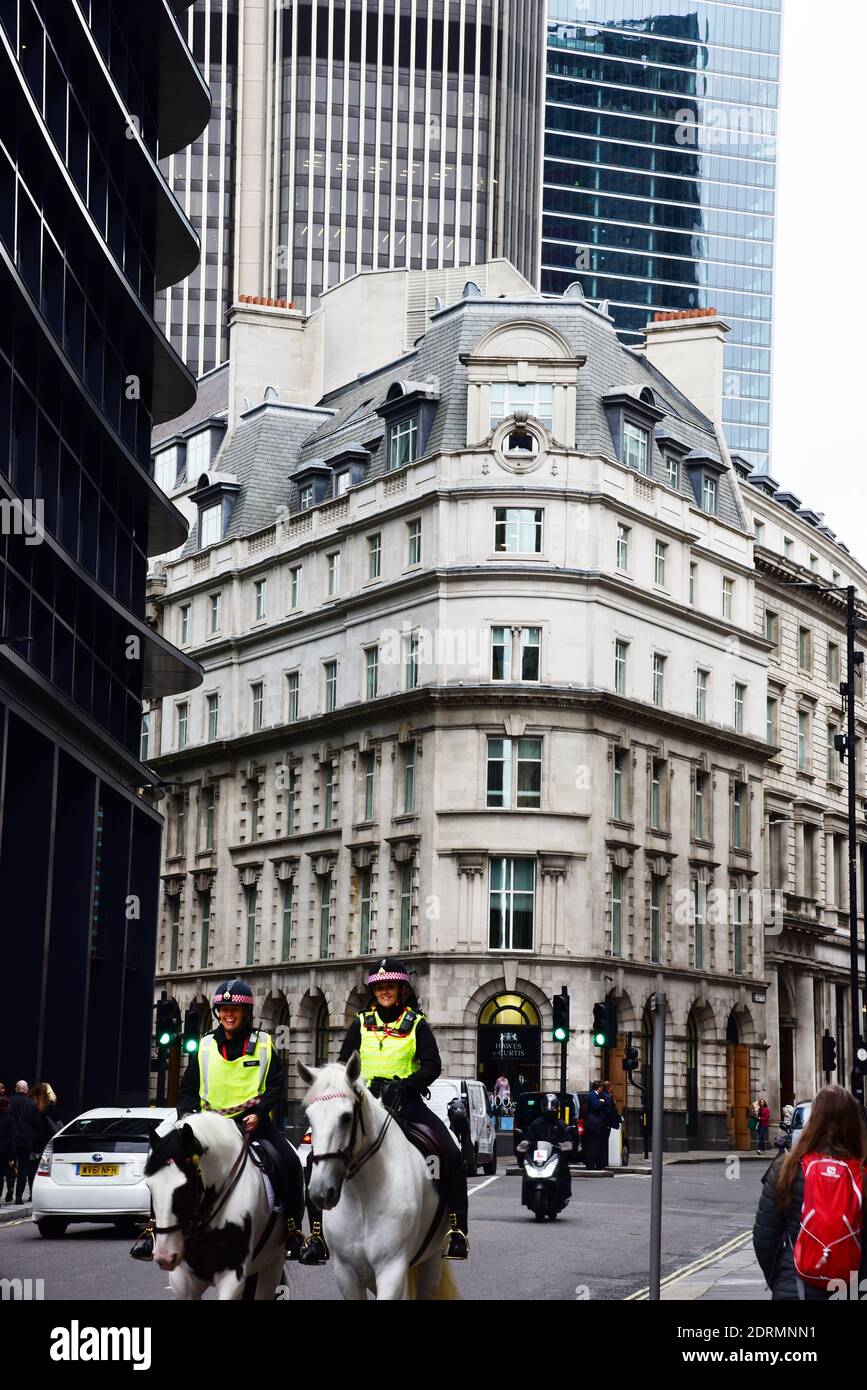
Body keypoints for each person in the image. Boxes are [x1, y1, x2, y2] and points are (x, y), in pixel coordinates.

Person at [302, 957, 469, 1266]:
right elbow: (341, 1066)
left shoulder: (416, 1023)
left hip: (405, 1104)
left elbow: (432, 1065)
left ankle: (457, 1229)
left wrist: (406, 1085)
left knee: (449, 1152)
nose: (384, 992)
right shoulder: (360, 1023)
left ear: (401, 989)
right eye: (379, 987)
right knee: (316, 1157)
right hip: (365, 1105)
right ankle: (316, 1235)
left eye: (390, 986)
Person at [177, 980, 305, 1259]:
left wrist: (259, 1115)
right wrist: (185, 1118)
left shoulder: (264, 1043)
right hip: (211, 1128)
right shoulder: (205, 1046)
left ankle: (294, 1230)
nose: (229, 1014)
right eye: (223, 1009)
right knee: (169, 1163)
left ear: (246, 1012)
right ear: (217, 1013)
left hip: (253, 1126)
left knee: (292, 1163)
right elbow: (188, 1089)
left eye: (234, 1009)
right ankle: (156, 1230)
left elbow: (275, 1086)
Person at [753, 1084, 867, 1300]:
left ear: (812, 1121)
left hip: (794, 1286)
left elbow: (764, 1238)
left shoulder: (786, 1167)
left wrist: (780, 1278)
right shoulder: (862, 1172)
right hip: (849, 1289)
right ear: (855, 1122)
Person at [522, 1093, 572, 1205]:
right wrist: (525, 1143)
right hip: (539, 1156)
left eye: (552, 1106)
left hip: (554, 1155)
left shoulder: (561, 1125)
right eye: (547, 1105)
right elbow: (529, 1137)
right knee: (526, 1169)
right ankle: (527, 1196)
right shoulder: (536, 1123)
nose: (550, 1108)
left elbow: (567, 1138)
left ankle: (563, 1195)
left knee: (564, 1170)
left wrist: (565, 1144)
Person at [9, 1081, 40, 1203]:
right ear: (26, 1090)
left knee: (9, 1166)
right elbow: (37, 1124)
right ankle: (18, 1197)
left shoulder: (10, 1101)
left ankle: (10, 1187)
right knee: (24, 1168)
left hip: (11, 1138)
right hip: (26, 1140)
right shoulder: (32, 1104)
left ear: (16, 1089)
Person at [583, 1081, 607, 1170]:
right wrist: (601, 1102)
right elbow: (595, 1106)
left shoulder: (592, 1095)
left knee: (594, 1145)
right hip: (594, 1125)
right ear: (599, 1087)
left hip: (593, 1124)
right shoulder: (593, 1095)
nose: (602, 1089)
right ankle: (590, 1165)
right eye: (601, 1087)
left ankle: (592, 1164)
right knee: (593, 1146)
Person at [0, 1097, 16, 1203]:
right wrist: (12, 1156)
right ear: (8, 1105)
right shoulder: (10, 1119)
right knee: (10, 1172)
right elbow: (12, 1138)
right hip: (6, 1150)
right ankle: (10, 1187)